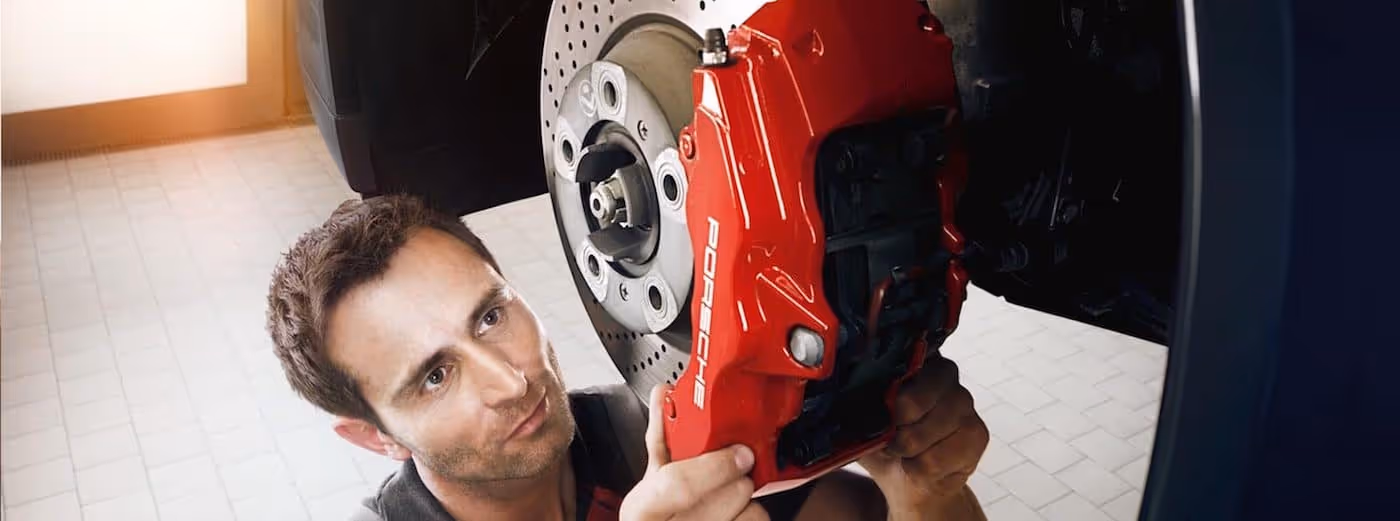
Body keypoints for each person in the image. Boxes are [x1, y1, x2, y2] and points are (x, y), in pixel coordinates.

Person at [264, 194, 990, 521]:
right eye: (434, 375)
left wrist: (926, 494)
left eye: (490, 316)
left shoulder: (645, 432)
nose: (511, 380)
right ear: (376, 436)